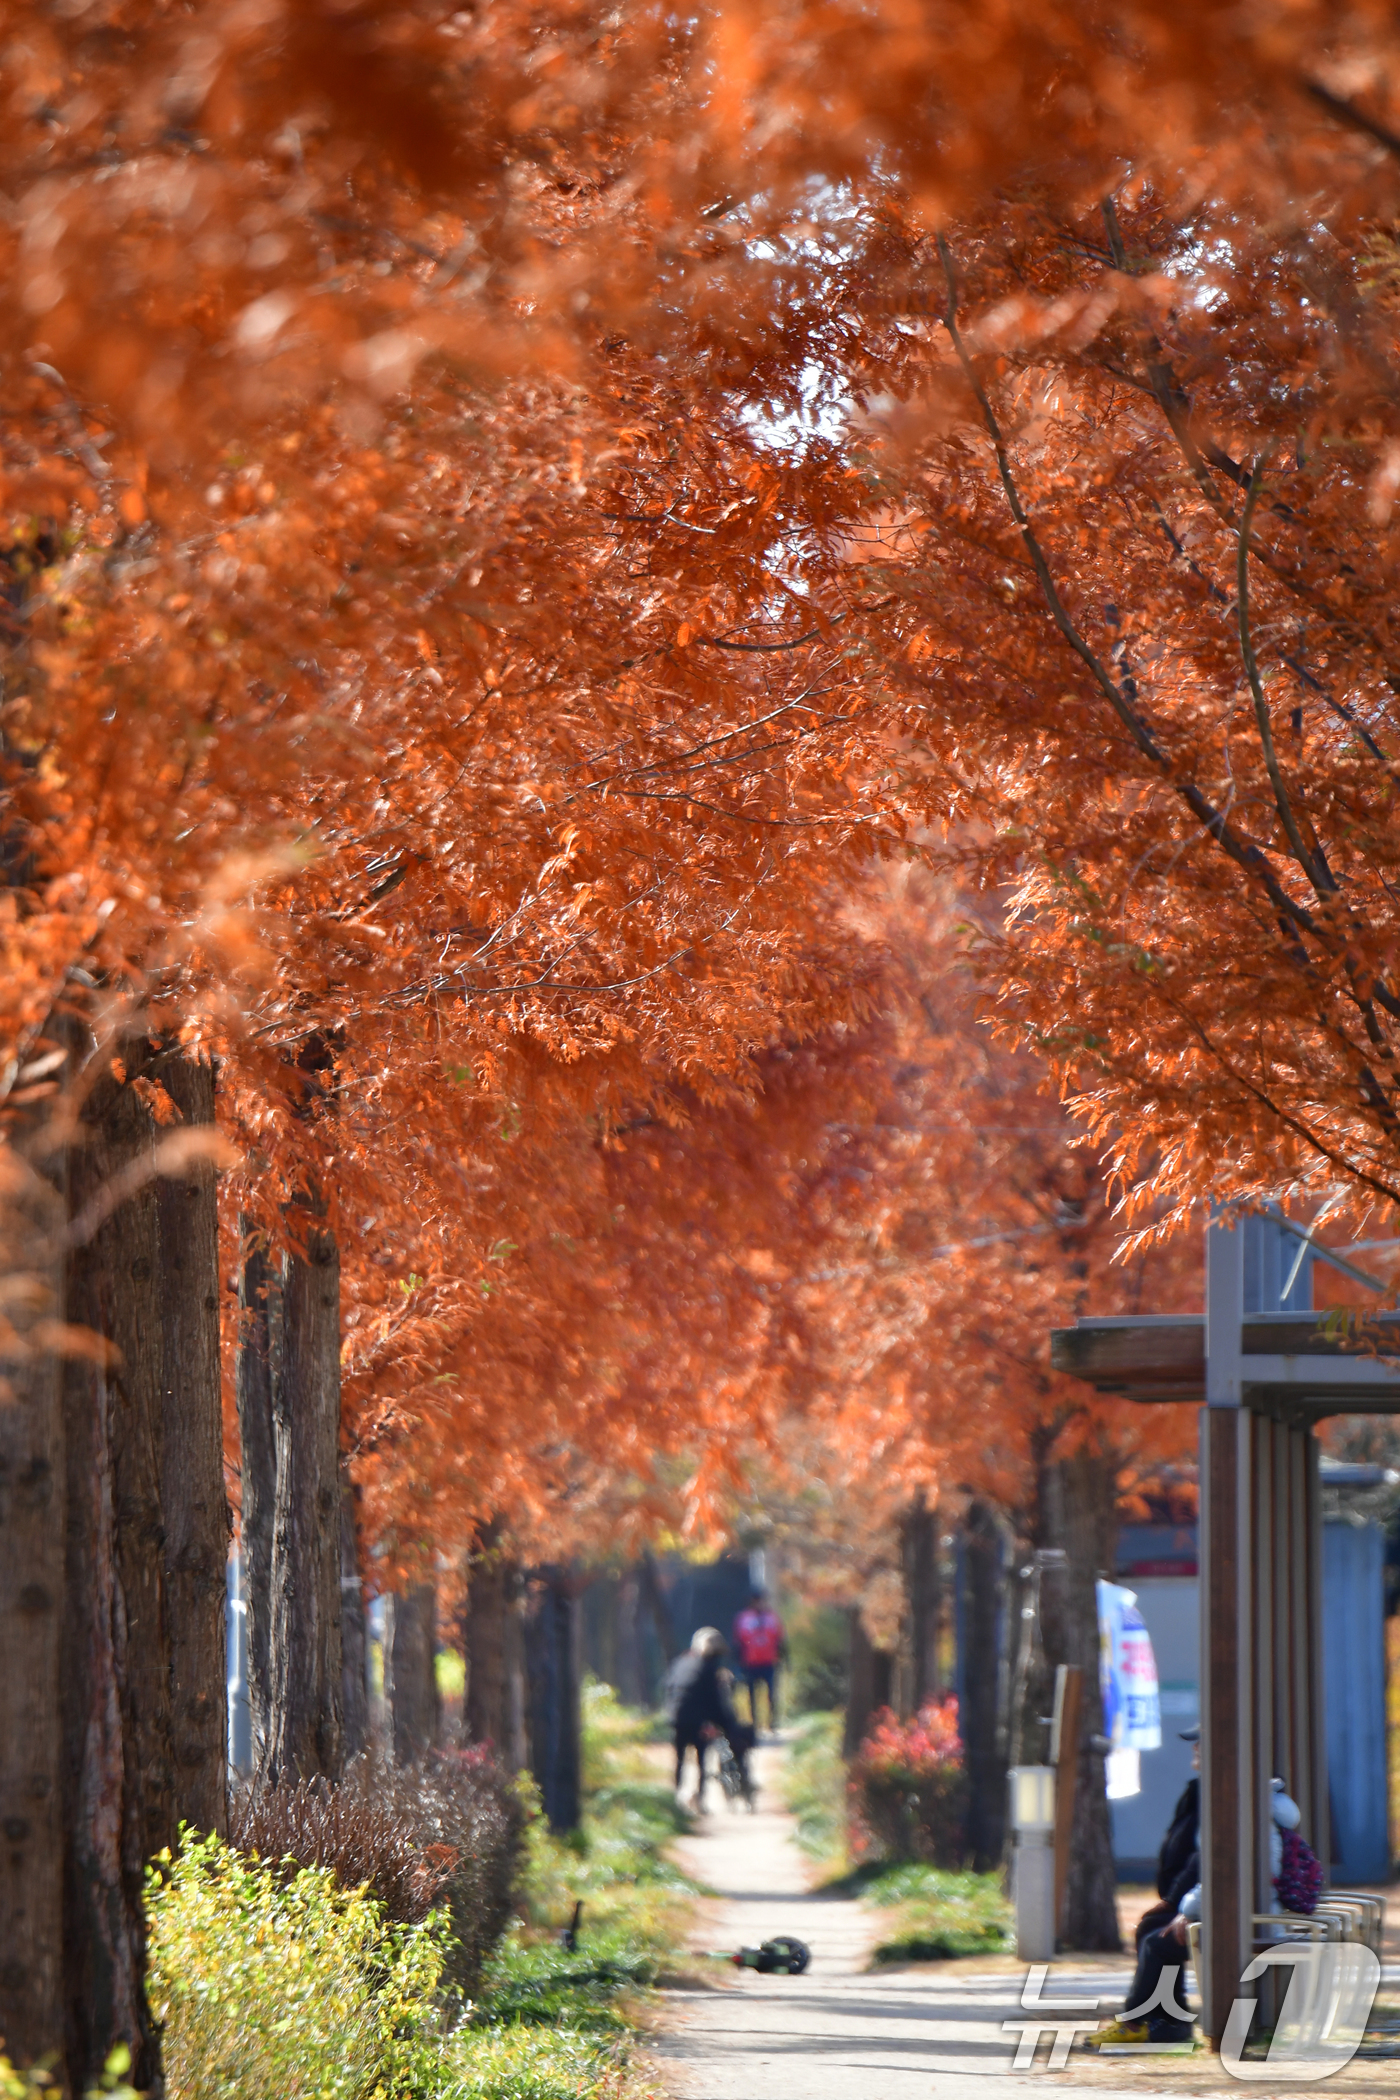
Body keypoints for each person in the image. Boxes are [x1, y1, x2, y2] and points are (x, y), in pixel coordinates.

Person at [666, 1626, 738, 1810]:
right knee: (701, 1759)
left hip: (677, 1716)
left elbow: (669, 1687)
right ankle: (701, 1801)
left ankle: (676, 1800)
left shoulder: (681, 1663)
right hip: (697, 1719)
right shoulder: (707, 1668)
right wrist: (728, 1724)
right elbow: (713, 1700)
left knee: (680, 1758)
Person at [732, 1589, 785, 1733]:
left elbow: (779, 1640)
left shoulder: (772, 1617)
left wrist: (784, 1659)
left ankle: (772, 1722)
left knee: (772, 1694)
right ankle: (754, 1724)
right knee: (752, 1695)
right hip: (751, 1663)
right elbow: (738, 1642)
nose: (759, 1603)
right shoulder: (743, 1618)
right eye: (756, 1600)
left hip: (769, 1662)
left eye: (761, 1600)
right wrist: (739, 1662)